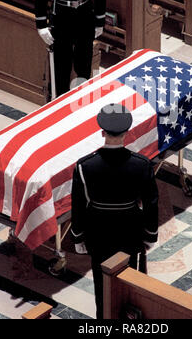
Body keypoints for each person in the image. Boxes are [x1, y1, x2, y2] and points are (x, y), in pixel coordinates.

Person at [71, 103, 159, 319]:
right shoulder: (142, 165)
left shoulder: (84, 166)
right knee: (129, 283)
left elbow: (78, 205)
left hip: (98, 233)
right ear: (126, 133)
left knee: (102, 286)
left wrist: (78, 238)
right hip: (130, 231)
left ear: (102, 132)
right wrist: (149, 235)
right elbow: (151, 202)